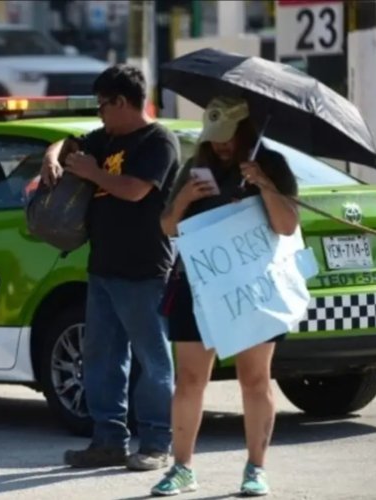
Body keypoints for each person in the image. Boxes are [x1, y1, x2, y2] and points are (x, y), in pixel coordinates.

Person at [151, 96, 298, 497]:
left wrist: (264, 185)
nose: (220, 146)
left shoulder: (271, 164)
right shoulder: (196, 166)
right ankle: (182, 467)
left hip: (251, 287)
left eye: (228, 138)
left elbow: (287, 226)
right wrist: (185, 199)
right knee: (190, 379)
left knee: (255, 379)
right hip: (196, 285)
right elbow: (168, 228)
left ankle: (256, 468)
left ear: (245, 130)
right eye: (214, 138)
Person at [41, 65, 179, 471]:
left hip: (144, 269)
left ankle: (156, 442)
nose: (99, 113)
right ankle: (108, 440)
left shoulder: (159, 141)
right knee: (101, 357)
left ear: (122, 102)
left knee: (153, 360)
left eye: (103, 104)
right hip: (102, 266)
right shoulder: (105, 138)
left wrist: (94, 172)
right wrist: (52, 158)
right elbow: (68, 143)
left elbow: (136, 190)